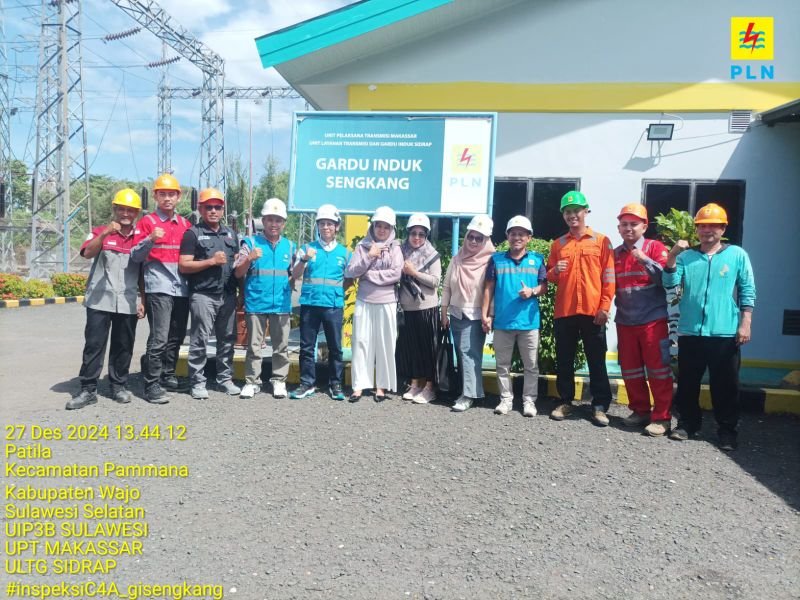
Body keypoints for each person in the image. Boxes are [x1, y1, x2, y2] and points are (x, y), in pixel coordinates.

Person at [662, 203, 755, 451]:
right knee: (688, 383)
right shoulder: (687, 257)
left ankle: (727, 431)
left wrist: (745, 323)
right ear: (697, 229)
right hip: (691, 330)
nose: (707, 230)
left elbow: (747, 289)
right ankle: (687, 424)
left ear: (723, 228)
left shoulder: (737, 255)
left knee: (725, 386)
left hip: (724, 332)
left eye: (713, 225)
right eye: (702, 226)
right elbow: (670, 282)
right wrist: (672, 256)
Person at [67, 189, 145, 409]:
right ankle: (88, 389)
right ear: (115, 209)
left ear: (137, 213)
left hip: (128, 300)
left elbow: (143, 272)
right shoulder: (99, 231)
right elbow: (87, 253)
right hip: (99, 299)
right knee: (94, 345)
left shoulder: (140, 238)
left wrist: (143, 300)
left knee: (123, 345)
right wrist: (104, 235)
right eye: (122, 209)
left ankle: (118, 385)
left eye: (130, 210)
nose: (125, 214)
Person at [547, 191, 615, 426]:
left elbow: (609, 277)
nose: (572, 215)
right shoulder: (558, 244)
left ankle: (599, 406)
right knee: (564, 360)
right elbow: (549, 276)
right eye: (567, 212)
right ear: (563, 215)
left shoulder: (602, 241)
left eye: (576, 210)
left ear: (586, 211)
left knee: (597, 360)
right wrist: (554, 271)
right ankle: (565, 401)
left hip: (593, 311)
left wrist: (604, 306)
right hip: (565, 311)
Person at [613, 203, 673, 436]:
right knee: (631, 370)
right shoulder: (615, 254)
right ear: (619, 228)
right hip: (625, 322)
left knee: (658, 370)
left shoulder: (655, 248)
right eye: (624, 224)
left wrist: (644, 259)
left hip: (653, 322)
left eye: (633, 224)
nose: (628, 228)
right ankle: (640, 411)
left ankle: (662, 417)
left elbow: (666, 280)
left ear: (645, 226)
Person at [131, 174, 191, 404]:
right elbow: (135, 256)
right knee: (160, 337)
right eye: (162, 194)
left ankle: (168, 375)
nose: (167, 198)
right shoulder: (147, 223)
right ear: (155, 196)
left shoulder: (185, 224)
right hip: (159, 287)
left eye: (171, 194)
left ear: (178, 197)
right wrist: (150, 239)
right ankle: (152, 384)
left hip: (181, 288)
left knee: (176, 336)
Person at [178, 188, 241, 400]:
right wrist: (211, 261)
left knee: (227, 339)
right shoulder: (192, 234)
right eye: (208, 207)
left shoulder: (231, 234)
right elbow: (184, 265)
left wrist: (241, 291)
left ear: (223, 209)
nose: (213, 211)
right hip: (203, 295)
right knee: (200, 339)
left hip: (227, 295)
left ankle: (225, 378)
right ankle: (197, 382)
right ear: (200, 209)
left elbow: (237, 265)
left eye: (217, 207)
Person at [483, 216, 547, 417]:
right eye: (513, 233)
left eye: (521, 234)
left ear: (529, 237)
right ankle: (506, 400)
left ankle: (529, 401)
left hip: (529, 322)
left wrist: (532, 291)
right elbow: (489, 288)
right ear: (507, 236)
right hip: (503, 322)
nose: (517, 237)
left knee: (531, 366)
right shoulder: (496, 260)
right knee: (502, 365)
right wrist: (486, 314)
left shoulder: (537, 259)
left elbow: (544, 286)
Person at [235, 198, 295, 400]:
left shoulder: (290, 246)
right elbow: (238, 272)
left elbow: (295, 274)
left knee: (281, 347)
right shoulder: (250, 243)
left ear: (283, 223)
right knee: (254, 347)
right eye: (270, 219)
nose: (273, 224)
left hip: (281, 304)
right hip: (256, 302)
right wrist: (249, 258)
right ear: (263, 220)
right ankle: (252, 382)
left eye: (278, 220)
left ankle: (279, 380)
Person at [290, 204, 351, 401]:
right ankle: (307, 383)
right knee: (307, 346)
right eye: (322, 223)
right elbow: (295, 275)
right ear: (317, 225)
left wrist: (336, 292)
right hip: (310, 304)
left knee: (335, 347)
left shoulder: (345, 253)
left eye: (330, 224)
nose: (326, 227)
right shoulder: (307, 249)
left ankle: (335, 384)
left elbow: (349, 279)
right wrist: (304, 260)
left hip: (333, 305)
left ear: (337, 226)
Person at [345, 206, 403, 402]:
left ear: (391, 228)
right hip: (364, 300)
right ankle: (359, 386)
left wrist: (369, 275)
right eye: (379, 225)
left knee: (385, 344)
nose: (382, 230)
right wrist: (370, 256)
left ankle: (382, 387)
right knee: (360, 342)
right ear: (373, 226)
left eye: (386, 227)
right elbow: (351, 271)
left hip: (387, 301)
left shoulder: (395, 247)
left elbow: (396, 274)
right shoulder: (363, 246)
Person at [441, 214, 495, 412]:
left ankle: (468, 395)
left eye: (479, 238)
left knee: (468, 353)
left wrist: (489, 315)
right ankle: (471, 391)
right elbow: (447, 286)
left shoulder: (491, 261)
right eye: (471, 236)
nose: (473, 241)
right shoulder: (458, 258)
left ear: (486, 240)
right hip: (456, 313)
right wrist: (444, 312)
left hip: (476, 316)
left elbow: (492, 292)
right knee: (463, 353)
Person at [396, 213, 442, 404]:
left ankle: (429, 387)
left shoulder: (432, 254)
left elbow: (435, 281)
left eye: (421, 234)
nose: (416, 237)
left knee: (428, 349)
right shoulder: (400, 252)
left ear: (426, 235)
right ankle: (415, 383)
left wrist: (414, 273)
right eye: (413, 233)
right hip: (407, 308)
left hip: (427, 308)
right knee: (412, 348)